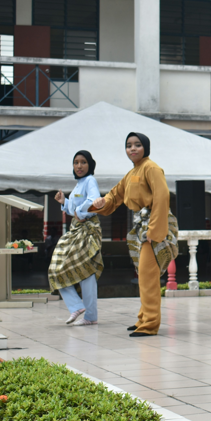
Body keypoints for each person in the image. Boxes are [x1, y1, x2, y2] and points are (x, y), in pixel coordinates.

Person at [92, 133, 179, 338]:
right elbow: (115, 194)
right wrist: (101, 202)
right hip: (143, 226)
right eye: (129, 145)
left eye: (137, 145)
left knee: (148, 276)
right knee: (144, 275)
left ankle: (150, 324)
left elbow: (162, 196)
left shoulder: (152, 168)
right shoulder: (132, 172)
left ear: (145, 148)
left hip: (153, 225)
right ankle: (143, 318)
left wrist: (154, 230)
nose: (132, 149)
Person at [48, 151, 103, 326]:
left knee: (86, 272)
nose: (79, 166)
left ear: (90, 165)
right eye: (76, 162)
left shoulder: (90, 181)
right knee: (58, 268)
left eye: (83, 162)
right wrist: (64, 201)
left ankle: (89, 316)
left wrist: (80, 212)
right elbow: (73, 209)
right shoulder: (79, 184)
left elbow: (94, 200)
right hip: (76, 230)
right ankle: (78, 307)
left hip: (88, 230)